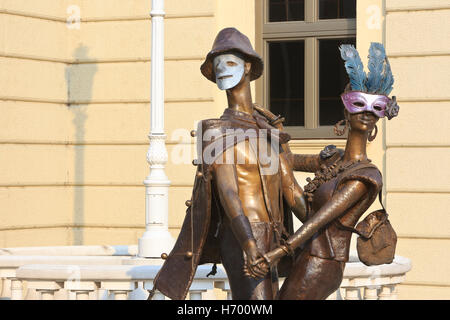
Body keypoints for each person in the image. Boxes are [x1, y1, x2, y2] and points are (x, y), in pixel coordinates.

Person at [150, 27, 314, 300]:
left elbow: (291, 190)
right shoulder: (217, 131)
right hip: (242, 236)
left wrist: (322, 225)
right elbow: (228, 192)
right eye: (217, 66)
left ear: (248, 66)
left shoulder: (269, 130)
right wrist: (248, 243)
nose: (222, 70)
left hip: (277, 236)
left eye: (229, 62)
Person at [248, 42, 400, 300]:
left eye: (375, 108)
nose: (366, 114)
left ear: (381, 114)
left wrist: (280, 251)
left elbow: (319, 220)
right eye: (358, 104)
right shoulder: (334, 160)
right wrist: (274, 130)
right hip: (307, 255)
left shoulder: (366, 177)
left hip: (323, 262)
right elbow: (290, 160)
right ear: (345, 108)